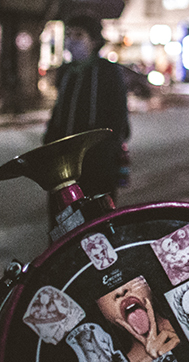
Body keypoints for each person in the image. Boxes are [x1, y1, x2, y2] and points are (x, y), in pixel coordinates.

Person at [43, 14, 130, 221]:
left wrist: (106, 150)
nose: (73, 40)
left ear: (94, 40)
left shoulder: (108, 72)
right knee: (63, 225)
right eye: (70, 35)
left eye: (79, 35)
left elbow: (119, 119)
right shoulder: (66, 72)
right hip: (63, 167)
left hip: (97, 165)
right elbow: (58, 114)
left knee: (95, 225)